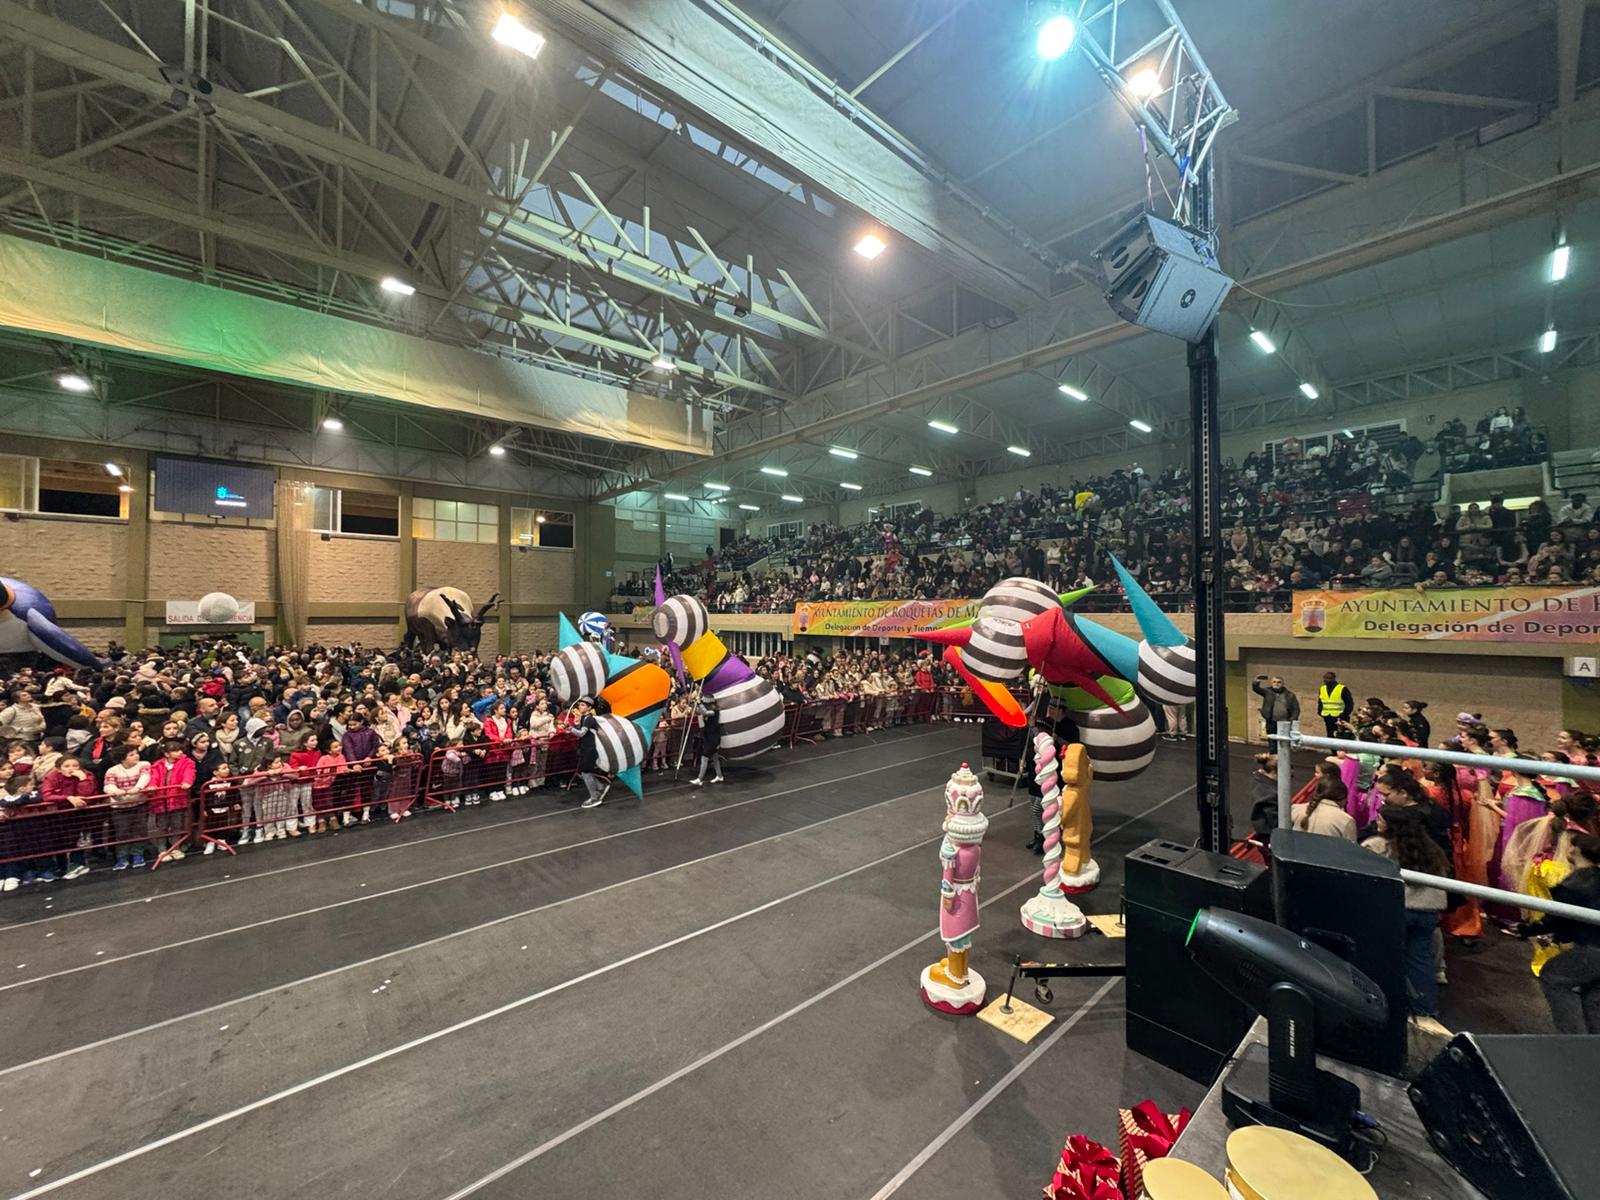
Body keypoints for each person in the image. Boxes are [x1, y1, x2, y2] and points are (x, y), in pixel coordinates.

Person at [1363, 803, 1452, 1017]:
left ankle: (1381, 1007)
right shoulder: (1430, 848)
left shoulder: (1376, 846)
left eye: (1381, 819)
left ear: (1390, 825)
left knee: (1383, 957)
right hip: (1428, 912)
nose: (1377, 822)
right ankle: (1424, 1010)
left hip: (1395, 910)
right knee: (1420, 961)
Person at [1537, 834, 1600, 1033]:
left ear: (1576, 851)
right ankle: (1590, 1048)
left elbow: (1558, 918)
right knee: (1593, 996)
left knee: (1553, 976)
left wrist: (1529, 929)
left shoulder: (1574, 885)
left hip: (1592, 949)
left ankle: (1573, 1040)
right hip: (1593, 946)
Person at [103, 743, 151, 870]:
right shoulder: (112, 770)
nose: (136, 756)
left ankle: (138, 854)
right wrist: (115, 791)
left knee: (139, 830)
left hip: (139, 804)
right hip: (120, 807)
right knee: (122, 832)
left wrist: (138, 788)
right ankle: (122, 857)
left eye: (136, 753)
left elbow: (145, 777)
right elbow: (108, 785)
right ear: (122, 758)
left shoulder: (144, 764)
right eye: (131, 755)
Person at [574, 698, 610, 810]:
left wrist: (569, 728)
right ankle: (600, 786)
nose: (580, 707)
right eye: (580, 705)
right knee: (582, 772)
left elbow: (581, 734)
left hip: (590, 750)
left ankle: (595, 797)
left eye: (583, 705)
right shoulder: (584, 718)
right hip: (585, 749)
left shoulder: (589, 719)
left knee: (585, 773)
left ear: (589, 708)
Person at [1250, 674, 1300, 743]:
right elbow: (1256, 689)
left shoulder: (1290, 695)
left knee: (1283, 742)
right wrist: (1256, 681)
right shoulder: (1267, 691)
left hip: (1284, 723)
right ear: (1271, 683)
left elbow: (1296, 709)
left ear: (1283, 684)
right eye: (1274, 682)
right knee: (1272, 742)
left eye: (1279, 682)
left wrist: (1292, 720)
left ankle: (1282, 754)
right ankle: (1273, 754)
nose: (1276, 684)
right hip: (1271, 722)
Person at [690, 695, 724, 787]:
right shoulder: (710, 710)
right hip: (709, 736)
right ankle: (719, 776)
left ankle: (700, 779)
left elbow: (705, 712)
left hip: (713, 737)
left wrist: (699, 703)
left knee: (705, 757)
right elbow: (698, 712)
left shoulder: (715, 711)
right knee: (715, 758)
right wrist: (695, 704)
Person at [1317, 671, 1352, 738]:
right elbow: (1320, 701)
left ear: (1333, 679)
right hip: (1327, 716)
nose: (1326, 680)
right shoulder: (1322, 688)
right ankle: (1333, 748)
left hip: (1340, 716)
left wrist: (1345, 714)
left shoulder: (1342, 688)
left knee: (1342, 735)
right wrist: (1320, 711)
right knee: (1330, 734)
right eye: (1325, 678)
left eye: (1329, 678)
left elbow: (1349, 703)